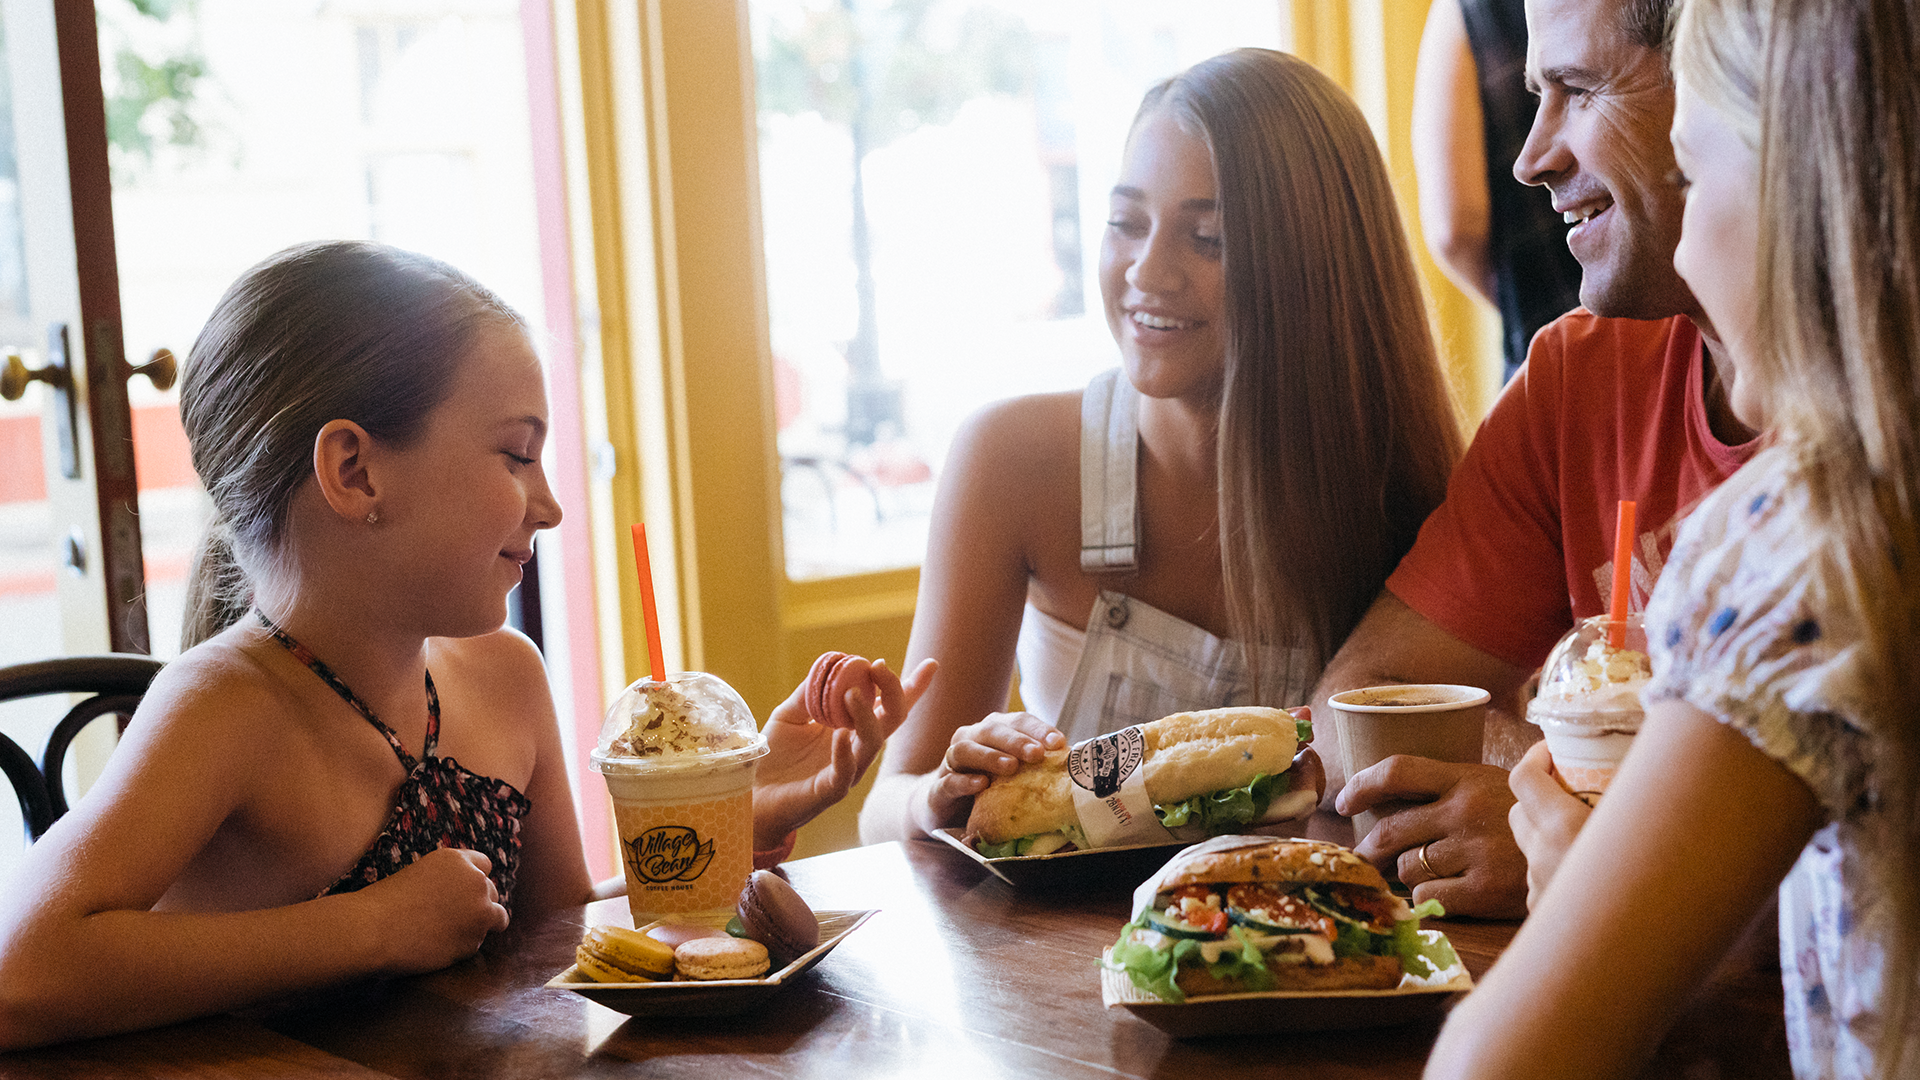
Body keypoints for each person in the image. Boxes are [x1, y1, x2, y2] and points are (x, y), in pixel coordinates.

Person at [0, 241, 930, 1050]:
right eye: (517, 455)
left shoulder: (505, 679)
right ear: (355, 471)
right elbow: (20, 972)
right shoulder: (228, 706)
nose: (552, 504)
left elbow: (563, 936)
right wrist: (369, 928)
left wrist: (732, 833)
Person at [1430, 0, 1920, 1075]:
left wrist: (1591, 882)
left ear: (1799, 188)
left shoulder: (1803, 541)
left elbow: (1499, 1063)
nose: (1689, 246)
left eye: (1695, 175)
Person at [859, 48, 1464, 844]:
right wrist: (935, 799)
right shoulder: (1011, 460)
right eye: (1124, 223)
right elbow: (884, 809)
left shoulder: (1411, 489)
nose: (1148, 271)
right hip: (1053, 956)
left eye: (1207, 238)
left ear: (1314, 267)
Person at [1315, 0, 1762, 919]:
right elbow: (1358, 703)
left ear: (1726, 85)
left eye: (1577, 89)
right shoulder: (1577, 373)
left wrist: (1601, 841)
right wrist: (1554, 802)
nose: (1530, 157)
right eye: (1534, 94)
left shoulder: (1869, 431)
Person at [1412, 0, 1582, 381]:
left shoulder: (1464, 12)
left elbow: (1453, 227)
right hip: (1679, 334)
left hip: (1548, 350)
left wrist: (1536, 305)